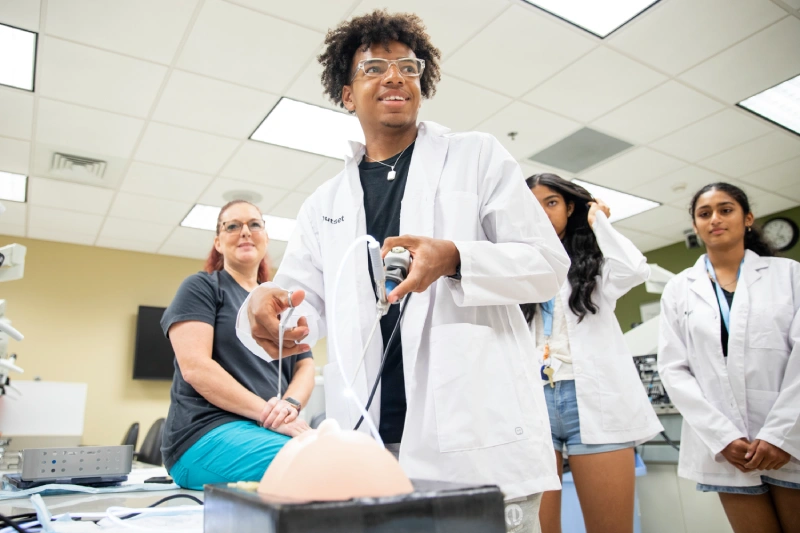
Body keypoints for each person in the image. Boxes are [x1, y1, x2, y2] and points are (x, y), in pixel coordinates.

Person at [236, 10, 570, 532]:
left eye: (408, 67)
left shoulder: (476, 158)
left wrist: (455, 258)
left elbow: (548, 267)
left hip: (472, 440)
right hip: (368, 443)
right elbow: (301, 303)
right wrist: (267, 307)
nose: (395, 76)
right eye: (373, 67)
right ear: (346, 94)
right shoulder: (323, 202)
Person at [523, 174, 663, 533]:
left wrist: (598, 219)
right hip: (533, 402)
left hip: (593, 401)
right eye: (532, 204)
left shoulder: (595, 269)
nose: (541, 212)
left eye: (551, 202)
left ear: (570, 207)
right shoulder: (518, 271)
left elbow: (635, 268)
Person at [658, 182, 800, 533]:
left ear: (747, 218)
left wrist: (781, 435)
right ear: (695, 226)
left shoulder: (790, 275)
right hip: (728, 447)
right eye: (704, 214)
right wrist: (722, 437)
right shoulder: (679, 289)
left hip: (791, 437)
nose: (715, 219)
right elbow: (673, 369)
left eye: (726, 210)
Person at [161, 200, 314, 490]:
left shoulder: (280, 303)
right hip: (205, 434)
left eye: (254, 224)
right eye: (232, 226)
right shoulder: (202, 288)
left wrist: (288, 406)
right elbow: (196, 368)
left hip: (266, 429)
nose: (245, 232)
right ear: (218, 243)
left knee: (345, 455)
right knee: (320, 464)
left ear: (266, 238)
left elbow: (305, 364)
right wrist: (270, 416)